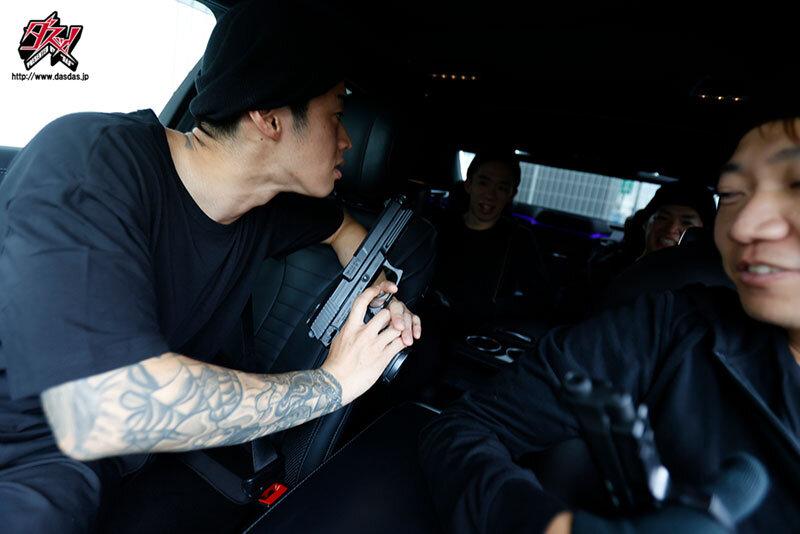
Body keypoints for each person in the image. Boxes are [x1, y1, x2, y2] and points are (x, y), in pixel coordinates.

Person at [0, 1, 421, 532]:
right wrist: (334, 382)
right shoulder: (92, 163)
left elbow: (340, 228)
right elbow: (122, 403)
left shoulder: (264, 208)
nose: (347, 139)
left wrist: (378, 292)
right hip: (28, 447)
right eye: (336, 115)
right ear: (269, 118)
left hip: (97, 460)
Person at [418, 116, 800, 533]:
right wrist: (557, 527)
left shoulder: (519, 241)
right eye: (731, 194)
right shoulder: (662, 325)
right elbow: (467, 425)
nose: (744, 225)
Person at [428, 150, 553, 334]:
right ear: (469, 184)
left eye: (501, 188)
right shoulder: (439, 226)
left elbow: (540, 300)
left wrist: (492, 308)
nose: (490, 195)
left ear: (511, 194)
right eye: (483, 183)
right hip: (426, 324)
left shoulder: (519, 239)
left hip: (481, 335)